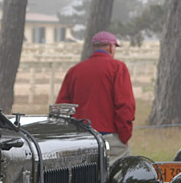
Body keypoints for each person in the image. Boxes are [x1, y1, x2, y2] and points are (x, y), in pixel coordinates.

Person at [56, 31, 135, 163]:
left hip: (81, 138)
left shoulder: (75, 70)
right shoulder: (118, 68)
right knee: (121, 173)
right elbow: (125, 105)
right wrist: (124, 136)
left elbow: (61, 107)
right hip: (110, 138)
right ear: (110, 47)